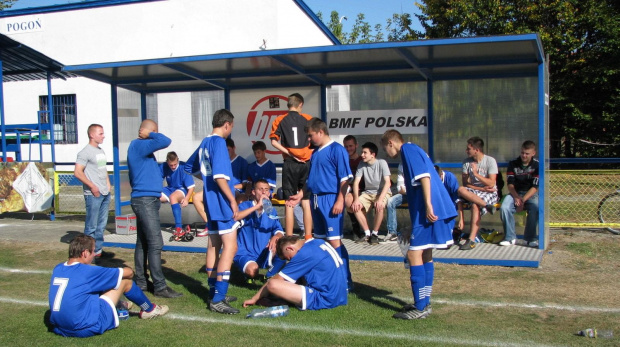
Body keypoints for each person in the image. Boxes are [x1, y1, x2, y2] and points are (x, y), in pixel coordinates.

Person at [381, 130, 456, 320]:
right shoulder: (413, 150)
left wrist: (429, 206)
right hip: (431, 211)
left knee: (414, 253)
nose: (386, 152)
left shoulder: (408, 150)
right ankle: (424, 302)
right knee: (426, 253)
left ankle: (420, 306)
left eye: (384, 148)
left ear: (391, 142)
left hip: (430, 211)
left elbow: (425, 177)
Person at [48, 235, 168, 338]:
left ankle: (120, 304)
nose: (94, 254)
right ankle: (149, 309)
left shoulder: (58, 268)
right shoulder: (88, 271)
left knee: (97, 285)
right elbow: (129, 273)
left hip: (59, 327)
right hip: (85, 327)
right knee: (125, 281)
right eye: (93, 251)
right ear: (85, 253)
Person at [185, 109, 240, 314]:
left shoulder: (204, 142)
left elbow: (189, 167)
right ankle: (218, 298)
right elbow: (219, 176)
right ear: (226, 125)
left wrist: (206, 181)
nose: (230, 131)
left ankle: (213, 291)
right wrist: (232, 200)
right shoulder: (219, 143)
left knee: (213, 245)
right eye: (231, 127)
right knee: (230, 247)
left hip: (210, 200)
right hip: (221, 201)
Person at [291, 118, 353, 289]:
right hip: (316, 200)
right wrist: (300, 195)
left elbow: (345, 179)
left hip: (331, 199)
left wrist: (340, 200)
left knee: (334, 241)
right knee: (321, 243)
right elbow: (311, 180)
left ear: (320, 132)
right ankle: (327, 277)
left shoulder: (337, 150)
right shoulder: (316, 153)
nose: (309, 140)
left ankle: (345, 281)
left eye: (310, 136)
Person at [128, 119, 182, 298]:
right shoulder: (139, 145)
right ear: (145, 132)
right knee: (155, 243)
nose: (155, 135)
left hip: (146, 198)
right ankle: (160, 287)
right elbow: (165, 141)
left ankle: (142, 282)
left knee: (143, 243)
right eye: (154, 132)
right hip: (144, 201)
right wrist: (150, 134)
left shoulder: (141, 149)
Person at [242, 235, 348, 311]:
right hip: (341, 295)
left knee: (272, 284)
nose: (290, 261)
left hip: (326, 298)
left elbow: (276, 280)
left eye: (288, 258)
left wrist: (254, 298)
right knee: (294, 277)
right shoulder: (317, 242)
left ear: (289, 248)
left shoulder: (305, 253)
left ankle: (281, 300)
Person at [269, 93, 313, 238]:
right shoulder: (308, 119)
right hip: (306, 163)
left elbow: (273, 141)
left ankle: (288, 237)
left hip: (290, 162)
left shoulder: (280, 119)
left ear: (288, 105)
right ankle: (308, 237)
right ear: (300, 104)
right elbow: (314, 140)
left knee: (289, 202)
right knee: (305, 201)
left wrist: (290, 153)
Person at [234, 179, 285, 282]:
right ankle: (247, 272)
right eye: (260, 189)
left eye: (266, 190)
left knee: (285, 249)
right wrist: (257, 206)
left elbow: (278, 230)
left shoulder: (271, 210)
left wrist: (276, 237)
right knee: (252, 271)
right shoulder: (244, 206)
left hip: (263, 252)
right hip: (245, 252)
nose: (263, 192)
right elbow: (236, 217)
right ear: (253, 192)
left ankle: (269, 276)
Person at [74, 124, 112, 260]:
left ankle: (98, 251)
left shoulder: (100, 151)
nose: (103, 136)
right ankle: (86, 254)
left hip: (104, 193)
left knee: (101, 225)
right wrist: (92, 186)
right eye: (100, 134)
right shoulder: (85, 152)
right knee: (91, 226)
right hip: (93, 195)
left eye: (103, 133)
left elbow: (103, 169)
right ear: (92, 135)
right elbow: (77, 172)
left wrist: (108, 184)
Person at [457, 136, 498, 251]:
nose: (466, 151)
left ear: (476, 150)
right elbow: (466, 184)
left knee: (475, 205)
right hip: (476, 191)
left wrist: (476, 174)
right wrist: (481, 189)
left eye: (468, 149)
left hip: (490, 192)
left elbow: (491, 183)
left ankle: (471, 239)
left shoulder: (490, 161)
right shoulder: (466, 162)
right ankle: (486, 206)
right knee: (460, 189)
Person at [347, 142, 391, 245]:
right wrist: (356, 199)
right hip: (367, 193)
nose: (362, 155)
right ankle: (367, 234)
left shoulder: (382, 163)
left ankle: (375, 234)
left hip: (381, 192)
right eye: (362, 152)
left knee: (379, 206)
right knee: (355, 207)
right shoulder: (362, 164)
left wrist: (380, 199)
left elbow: (388, 182)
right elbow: (356, 182)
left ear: (373, 154)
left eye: (365, 152)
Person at [499, 140, 539, 247]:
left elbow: (535, 187)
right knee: (504, 207)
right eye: (522, 153)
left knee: (535, 207)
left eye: (527, 153)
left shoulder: (537, 165)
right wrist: (516, 197)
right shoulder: (513, 164)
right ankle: (510, 237)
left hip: (530, 194)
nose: (524, 156)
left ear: (533, 153)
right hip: (515, 193)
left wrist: (522, 200)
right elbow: (510, 184)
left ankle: (530, 238)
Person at [159, 151, 195, 240]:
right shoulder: (163, 166)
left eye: (175, 164)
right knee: (154, 196)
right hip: (170, 188)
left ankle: (178, 227)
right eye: (171, 165)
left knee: (173, 197)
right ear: (167, 162)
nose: (173, 167)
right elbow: (158, 180)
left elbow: (191, 187)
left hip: (182, 189)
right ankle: (154, 223)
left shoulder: (183, 167)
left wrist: (186, 199)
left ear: (178, 160)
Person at [343, 135, 363, 240]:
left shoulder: (362, 159)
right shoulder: (343, 160)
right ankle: (356, 229)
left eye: (350, 146)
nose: (348, 149)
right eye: (346, 146)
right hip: (350, 190)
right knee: (348, 200)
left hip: (364, 190)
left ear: (356, 145)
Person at [435, 165, 464, 232]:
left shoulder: (450, 178)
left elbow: (458, 200)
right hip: (437, 204)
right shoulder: (431, 180)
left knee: (450, 210)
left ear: (441, 174)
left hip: (450, 204)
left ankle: (449, 231)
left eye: (438, 179)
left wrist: (461, 219)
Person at [385, 163, 406, 242]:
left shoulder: (419, 160)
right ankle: (392, 232)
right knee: (391, 201)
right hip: (406, 194)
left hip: (418, 194)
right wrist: (405, 190)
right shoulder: (401, 165)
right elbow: (400, 187)